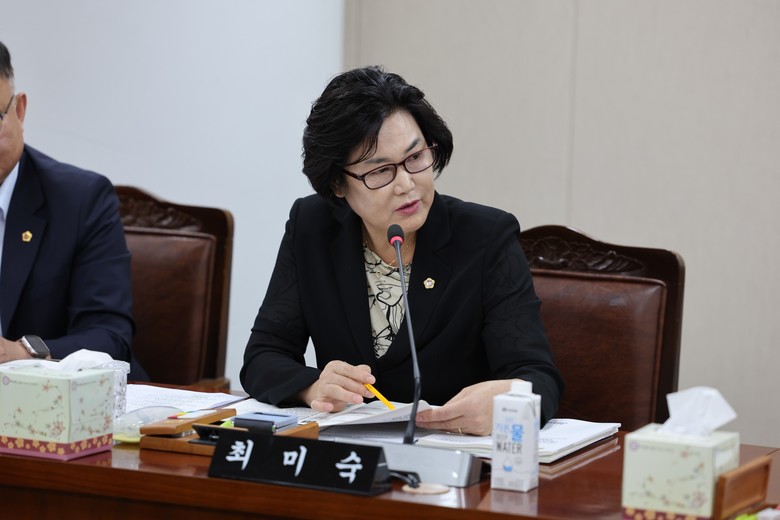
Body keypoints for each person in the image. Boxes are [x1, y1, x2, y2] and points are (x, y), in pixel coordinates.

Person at [241, 65, 562, 435]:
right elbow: (263, 355)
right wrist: (312, 387)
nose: (407, 184)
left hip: (452, 453)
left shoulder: (486, 238)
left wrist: (507, 402)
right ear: (337, 184)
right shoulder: (312, 227)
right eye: (380, 171)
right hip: (349, 454)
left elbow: (540, 377)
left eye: (415, 158)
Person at [0, 41, 146, 379]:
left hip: (57, 398)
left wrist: (20, 353)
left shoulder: (82, 200)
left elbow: (110, 337)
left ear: (20, 109)